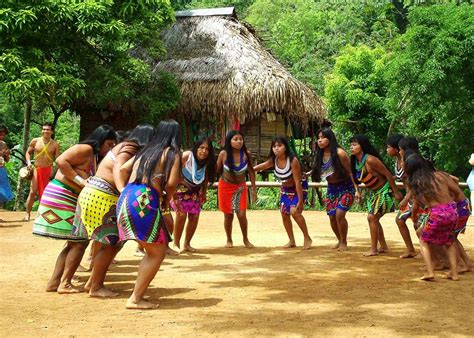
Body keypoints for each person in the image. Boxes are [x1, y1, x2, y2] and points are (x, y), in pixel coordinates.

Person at [72, 124, 155, 297]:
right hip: (102, 197)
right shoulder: (128, 148)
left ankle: (92, 283)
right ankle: (96, 287)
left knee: (105, 243)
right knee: (112, 243)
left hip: (96, 195)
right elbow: (119, 167)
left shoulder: (125, 147)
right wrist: (122, 188)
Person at [32, 125, 116, 293]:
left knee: (74, 242)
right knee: (79, 241)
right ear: (100, 140)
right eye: (109, 144)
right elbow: (61, 161)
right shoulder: (85, 148)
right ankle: (64, 283)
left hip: (67, 195)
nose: (111, 148)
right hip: (63, 194)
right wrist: (80, 181)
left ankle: (55, 282)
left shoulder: (94, 155)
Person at [116, 119, 181, 309]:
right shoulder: (172, 153)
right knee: (157, 252)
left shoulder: (146, 151)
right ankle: (135, 299)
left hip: (127, 195)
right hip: (144, 198)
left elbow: (123, 168)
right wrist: (166, 199)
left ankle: (137, 296)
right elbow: (171, 183)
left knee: (153, 249)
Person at [404, 153, 465, 281]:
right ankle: (454, 273)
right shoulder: (441, 175)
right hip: (452, 210)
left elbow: (418, 204)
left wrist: (415, 217)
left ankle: (430, 271)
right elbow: (457, 191)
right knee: (450, 241)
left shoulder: (416, 182)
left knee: (424, 240)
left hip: (437, 213)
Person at [254, 135, 312, 249]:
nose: (276, 148)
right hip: (285, 188)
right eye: (274, 146)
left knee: (295, 212)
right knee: (284, 214)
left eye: (279, 145)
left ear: (285, 147)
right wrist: (250, 168)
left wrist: (300, 201)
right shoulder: (273, 160)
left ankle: (307, 237)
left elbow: (297, 182)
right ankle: (291, 240)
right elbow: (264, 165)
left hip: (298, 187)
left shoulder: (293, 161)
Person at [350, 134, 402, 256]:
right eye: (351, 144)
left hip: (384, 191)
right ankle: (383, 246)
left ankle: (373, 249)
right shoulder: (354, 161)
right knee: (374, 219)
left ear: (362, 146)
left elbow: (388, 174)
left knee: (372, 217)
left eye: (355, 144)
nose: (351, 147)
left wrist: (396, 192)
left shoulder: (370, 159)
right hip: (373, 193)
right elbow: (352, 176)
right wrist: (357, 190)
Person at [311, 129, 356, 251]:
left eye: (323, 137)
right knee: (332, 217)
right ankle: (340, 239)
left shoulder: (340, 153)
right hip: (331, 189)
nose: (320, 140)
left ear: (330, 139)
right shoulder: (319, 155)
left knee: (339, 214)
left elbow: (351, 172)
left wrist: (356, 190)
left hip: (346, 187)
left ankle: (344, 242)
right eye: (318, 137)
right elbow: (320, 170)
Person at [171, 136, 216, 253]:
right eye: (201, 148)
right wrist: (177, 183)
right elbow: (173, 168)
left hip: (194, 192)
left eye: (207, 149)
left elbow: (205, 178)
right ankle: (176, 243)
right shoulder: (187, 156)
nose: (204, 151)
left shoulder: (206, 162)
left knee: (194, 217)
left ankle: (187, 244)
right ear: (196, 148)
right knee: (181, 215)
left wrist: (204, 192)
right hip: (179, 191)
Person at [216, 130, 256, 249]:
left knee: (242, 214)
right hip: (225, 186)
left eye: (240, 139)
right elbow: (217, 169)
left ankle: (246, 239)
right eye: (235, 139)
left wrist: (254, 190)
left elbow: (251, 172)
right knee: (228, 215)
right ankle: (229, 239)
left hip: (240, 187)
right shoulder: (223, 154)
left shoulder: (246, 154)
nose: (239, 142)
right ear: (229, 141)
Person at [386, 134, 417, 258]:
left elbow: (415, 182)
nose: (387, 150)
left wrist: (406, 198)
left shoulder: (410, 161)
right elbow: (401, 177)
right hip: (410, 196)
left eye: (389, 147)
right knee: (400, 220)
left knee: (418, 223)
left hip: (416, 196)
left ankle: (430, 253)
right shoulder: (399, 161)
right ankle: (411, 249)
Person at [23, 122, 60, 221]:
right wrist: (28, 163)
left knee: (45, 193)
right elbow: (28, 152)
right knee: (32, 192)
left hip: (48, 170)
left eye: (48, 129)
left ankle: (41, 214)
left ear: (52, 131)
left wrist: (57, 170)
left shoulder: (55, 144)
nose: (45, 131)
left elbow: (58, 159)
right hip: (37, 169)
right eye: (44, 129)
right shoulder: (35, 141)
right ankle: (27, 214)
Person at [0, 125, 13, 208]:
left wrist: (7, 154)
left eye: (3, 134)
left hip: (1, 169)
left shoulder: (3, 144)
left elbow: (7, 160)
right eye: (1, 134)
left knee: (3, 193)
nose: (2, 136)